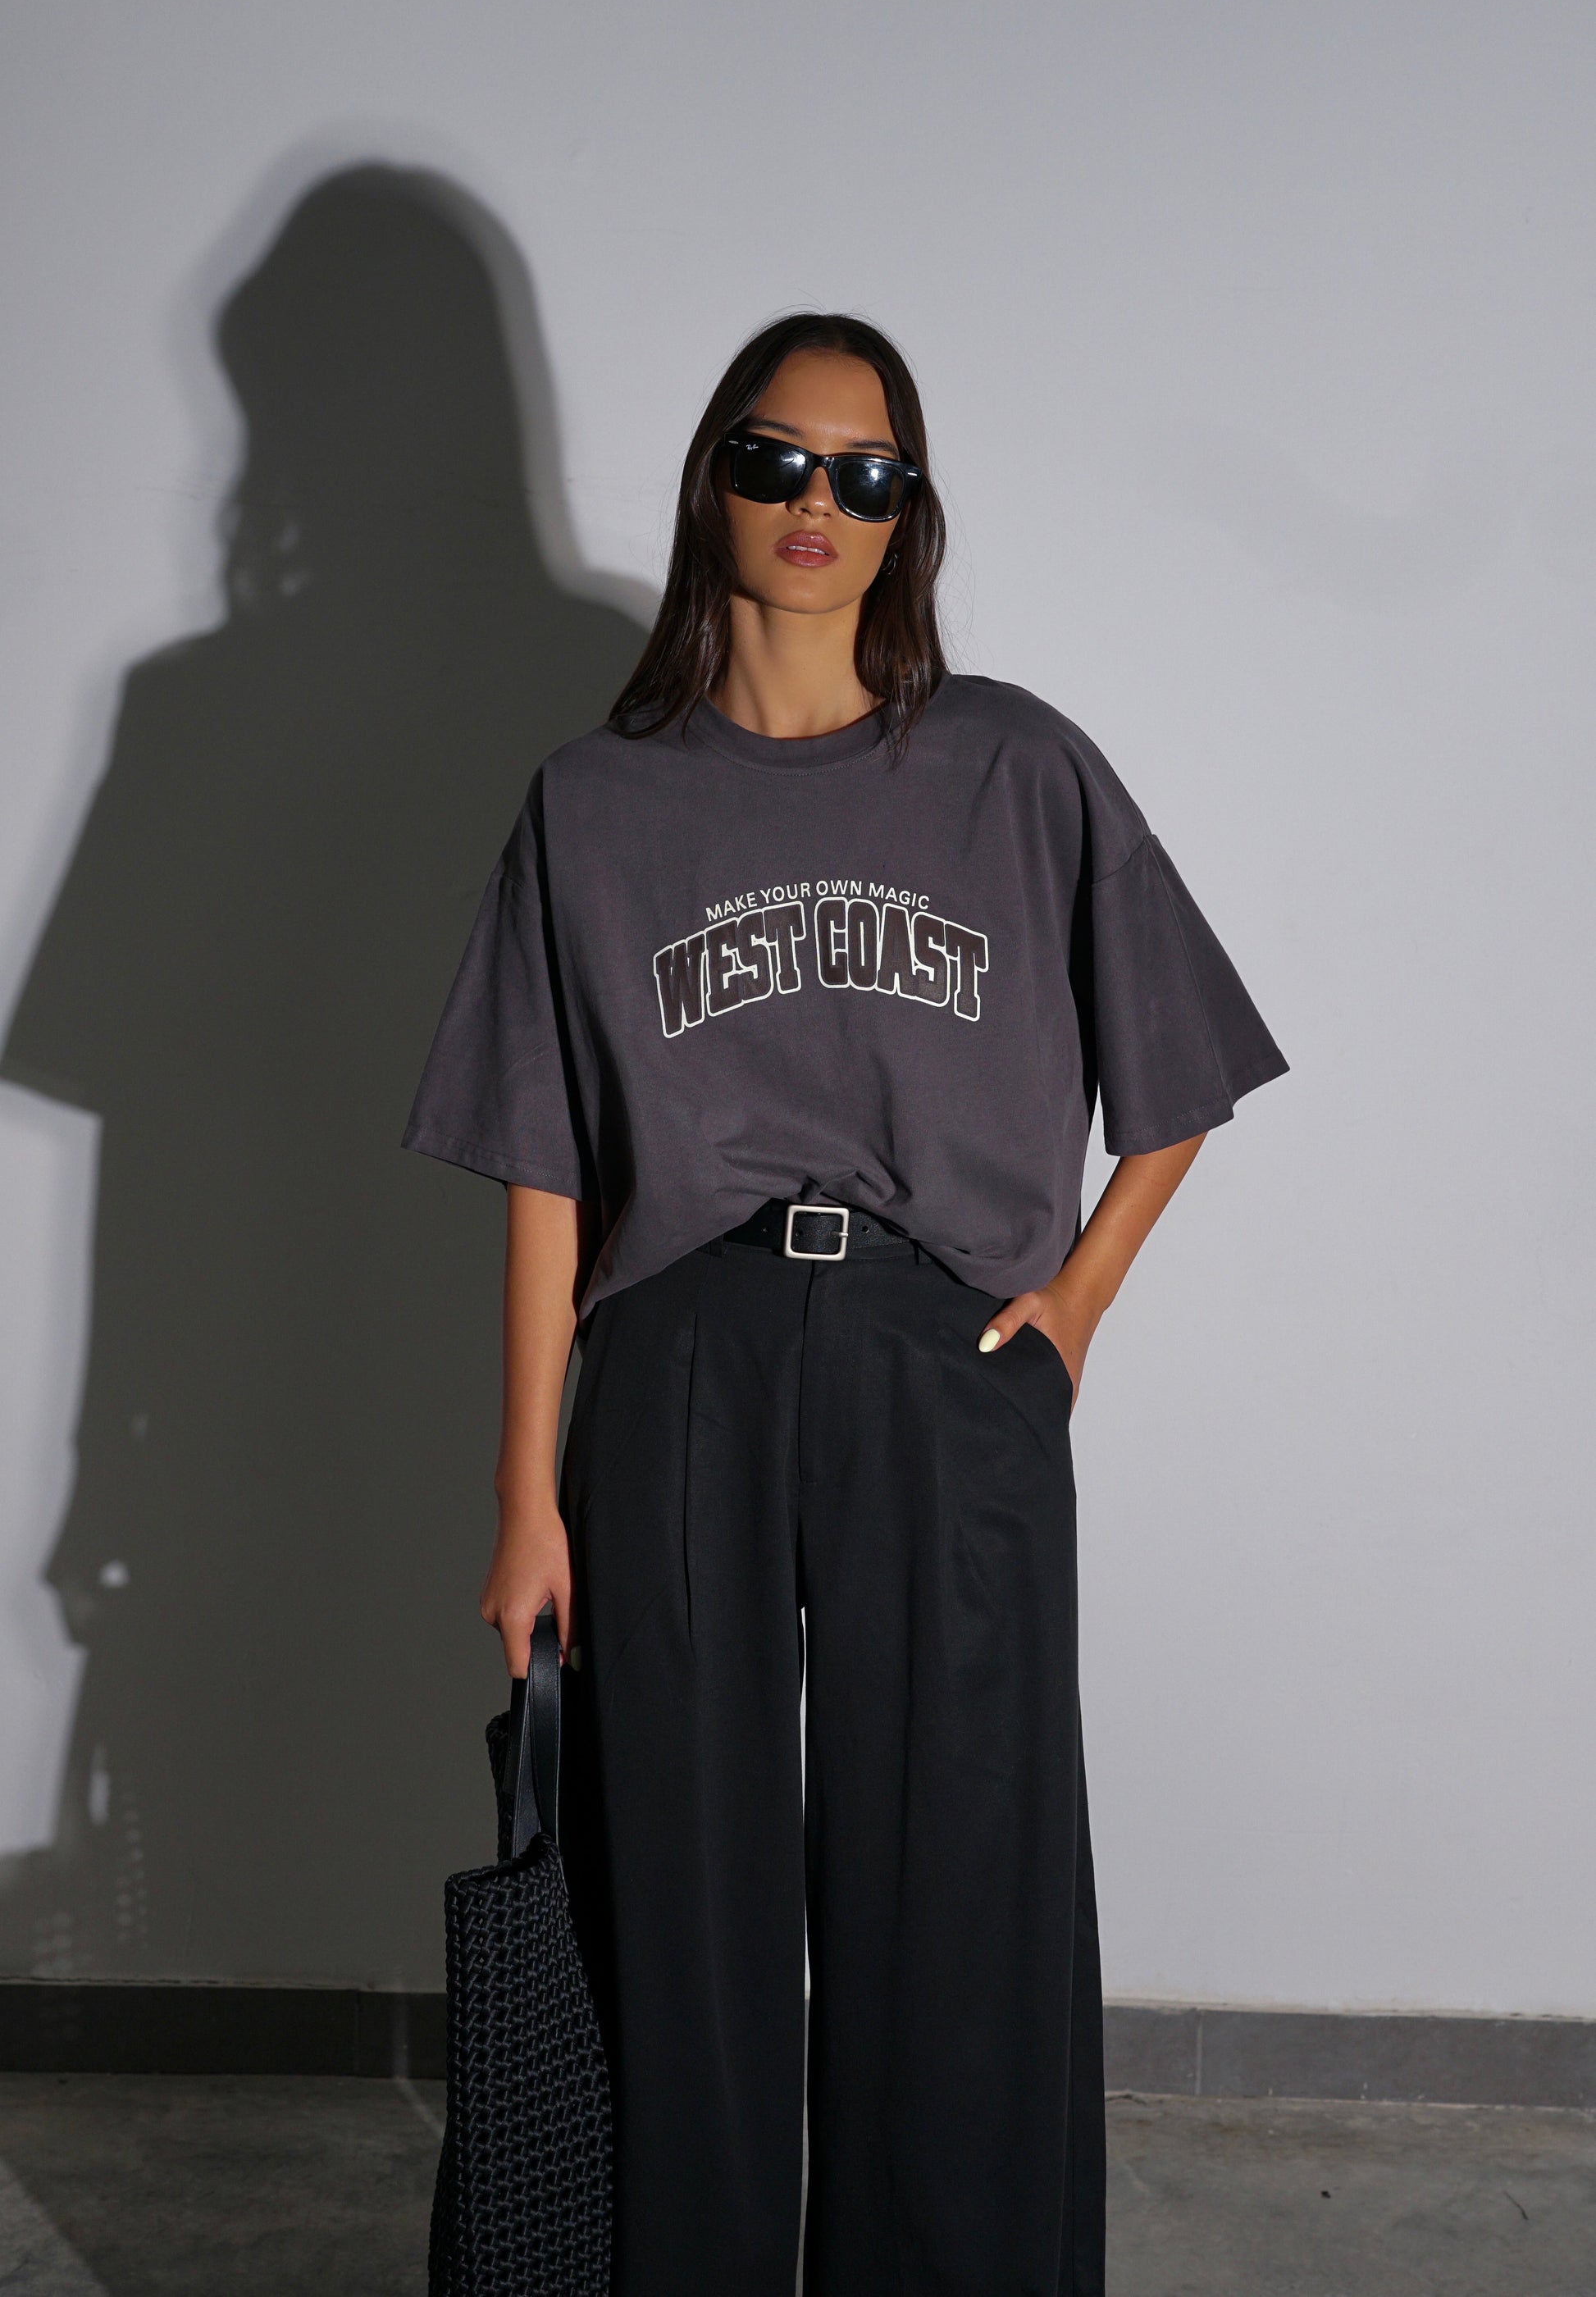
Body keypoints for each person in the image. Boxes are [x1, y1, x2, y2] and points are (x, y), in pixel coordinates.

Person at [402, 312, 1287, 2297]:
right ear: (711, 479)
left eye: (866, 473)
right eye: (776, 459)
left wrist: (1073, 1307)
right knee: (674, 1900)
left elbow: (1178, 1077)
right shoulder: (592, 801)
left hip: (942, 1362)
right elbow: (544, 1167)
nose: (817, 502)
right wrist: (524, 1492)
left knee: (960, 1892)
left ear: (908, 517)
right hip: (678, 1362)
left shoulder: (1015, 765)